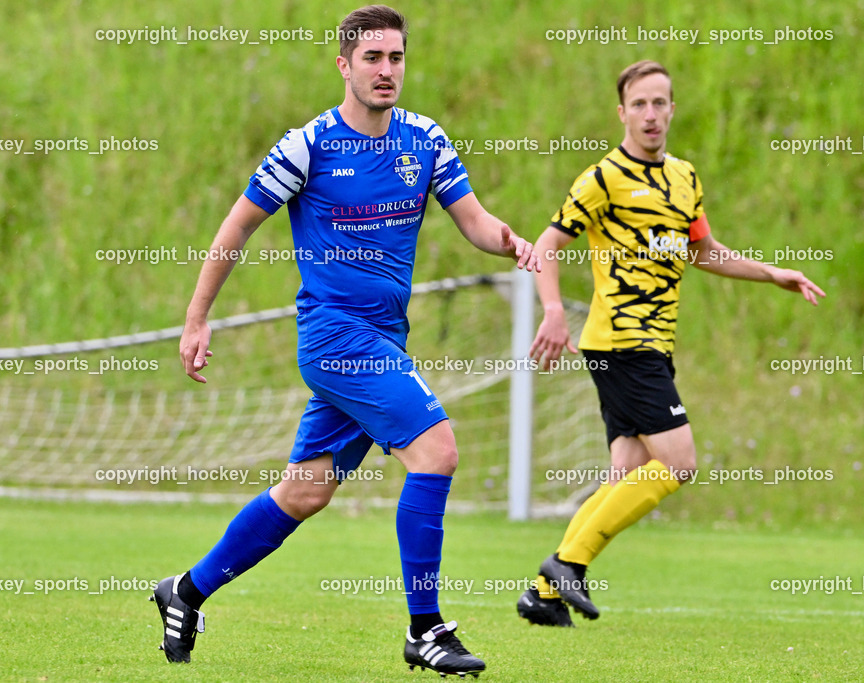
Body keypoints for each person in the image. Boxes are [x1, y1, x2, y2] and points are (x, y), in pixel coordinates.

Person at [152, 5, 540, 676]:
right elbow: (236, 227)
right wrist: (196, 317)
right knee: (437, 450)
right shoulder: (307, 146)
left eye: (396, 57)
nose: (387, 70)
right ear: (344, 65)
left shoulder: (425, 140)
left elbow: (474, 221)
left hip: (384, 339)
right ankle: (425, 628)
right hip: (336, 337)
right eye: (372, 58)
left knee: (305, 491)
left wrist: (509, 242)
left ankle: (185, 590)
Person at [516, 60, 826, 627]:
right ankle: (566, 564)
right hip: (621, 342)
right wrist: (554, 311)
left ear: (672, 109)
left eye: (659, 103)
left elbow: (704, 252)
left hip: (653, 345)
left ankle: (543, 594)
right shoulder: (603, 178)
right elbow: (547, 246)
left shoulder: (685, 178)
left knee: (628, 472)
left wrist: (771, 272)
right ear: (622, 112)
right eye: (639, 104)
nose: (651, 114)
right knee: (679, 464)